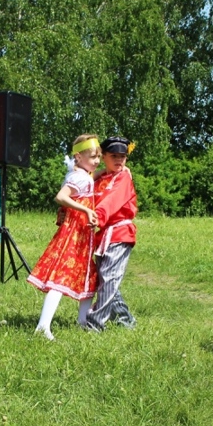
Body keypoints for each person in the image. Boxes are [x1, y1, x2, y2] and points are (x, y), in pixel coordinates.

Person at [27, 134, 101, 341]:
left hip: (82, 235)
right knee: (61, 276)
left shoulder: (83, 175)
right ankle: (43, 326)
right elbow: (61, 196)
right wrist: (85, 211)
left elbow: (88, 182)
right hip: (74, 235)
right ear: (78, 157)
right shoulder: (78, 177)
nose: (97, 161)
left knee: (89, 276)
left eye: (99, 157)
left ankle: (82, 321)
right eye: (93, 156)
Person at [82, 136, 138, 332]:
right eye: (114, 155)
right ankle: (126, 320)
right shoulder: (101, 179)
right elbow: (83, 196)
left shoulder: (123, 177)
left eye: (123, 157)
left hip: (120, 232)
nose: (119, 160)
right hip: (104, 235)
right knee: (105, 279)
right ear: (103, 156)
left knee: (108, 277)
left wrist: (97, 216)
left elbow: (111, 201)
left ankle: (95, 324)